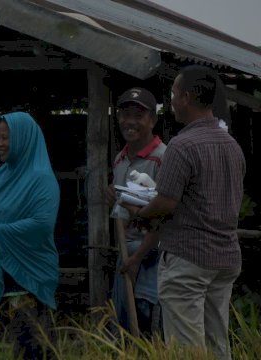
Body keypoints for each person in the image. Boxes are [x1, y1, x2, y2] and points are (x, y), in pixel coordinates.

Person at [122, 65, 246, 360]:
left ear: (187, 97)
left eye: (174, 94)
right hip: (225, 256)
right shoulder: (231, 145)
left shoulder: (182, 145)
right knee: (218, 346)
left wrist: (140, 212)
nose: (172, 100)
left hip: (190, 257)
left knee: (186, 350)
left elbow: (166, 202)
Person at [0, 112, 60, 359]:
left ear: (25, 139)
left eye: (7, 138)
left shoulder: (42, 179)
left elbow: (41, 226)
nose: (0, 143)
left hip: (26, 287)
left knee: (28, 350)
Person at [107, 87, 166, 336]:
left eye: (138, 115)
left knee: (149, 324)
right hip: (126, 252)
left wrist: (138, 257)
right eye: (125, 114)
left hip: (152, 255)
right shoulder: (120, 160)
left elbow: (163, 216)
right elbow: (123, 208)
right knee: (124, 328)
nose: (130, 121)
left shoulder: (164, 157)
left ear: (152, 119)